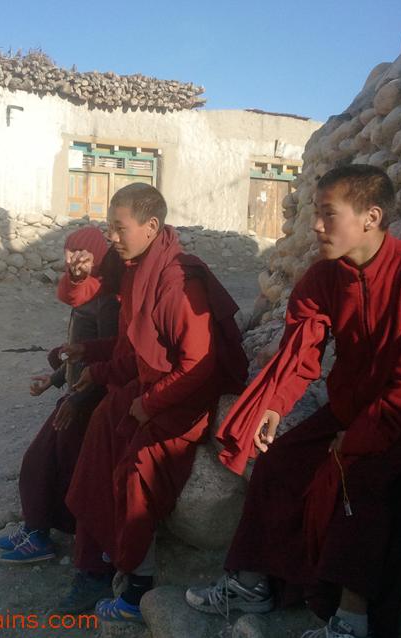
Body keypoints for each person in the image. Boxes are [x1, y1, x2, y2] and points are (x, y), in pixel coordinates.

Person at [185, 165, 401, 638]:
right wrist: (275, 404)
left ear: (371, 217)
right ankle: (253, 582)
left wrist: (358, 438)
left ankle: (352, 620)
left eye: (327, 215)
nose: (316, 226)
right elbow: (301, 350)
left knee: (361, 478)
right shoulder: (326, 277)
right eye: (315, 215)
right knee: (278, 464)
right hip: (356, 399)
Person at [61, 182, 250, 622]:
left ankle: (137, 586)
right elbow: (136, 347)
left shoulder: (179, 282)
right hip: (154, 384)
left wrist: (149, 405)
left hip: (185, 397)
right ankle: (96, 559)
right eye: (109, 228)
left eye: (119, 228)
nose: (112, 237)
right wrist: (96, 363)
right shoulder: (139, 268)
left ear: (151, 226)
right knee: (99, 430)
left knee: (137, 469)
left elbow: (199, 366)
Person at [0, 227, 119, 568]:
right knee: (49, 460)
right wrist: (53, 380)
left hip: (90, 400)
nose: (70, 260)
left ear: (96, 256)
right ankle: (38, 530)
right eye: (68, 252)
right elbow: (80, 354)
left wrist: (76, 402)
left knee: (47, 460)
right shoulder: (87, 294)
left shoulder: (107, 300)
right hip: (76, 394)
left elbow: (109, 361)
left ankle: (43, 536)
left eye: (80, 252)